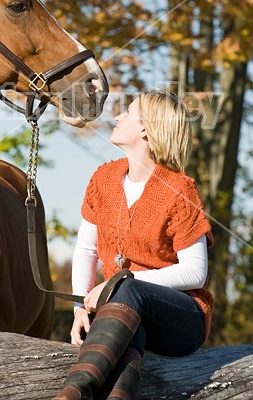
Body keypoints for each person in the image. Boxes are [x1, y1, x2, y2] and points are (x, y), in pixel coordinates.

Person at [53, 89, 214, 400]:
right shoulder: (104, 178)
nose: (117, 116)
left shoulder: (181, 189)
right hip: (125, 311)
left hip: (181, 317)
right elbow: (86, 251)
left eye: (127, 111)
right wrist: (78, 309)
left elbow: (195, 273)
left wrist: (121, 281)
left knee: (130, 289)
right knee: (131, 329)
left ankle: (73, 393)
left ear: (146, 128)